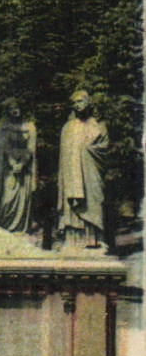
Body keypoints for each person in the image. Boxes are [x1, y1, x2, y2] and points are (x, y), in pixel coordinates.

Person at [57, 90, 109, 251]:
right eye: (75, 102)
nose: (78, 105)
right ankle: (73, 240)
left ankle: (94, 239)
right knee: (72, 208)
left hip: (90, 172)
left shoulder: (97, 125)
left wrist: (87, 150)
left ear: (88, 103)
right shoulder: (68, 127)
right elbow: (63, 155)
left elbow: (104, 147)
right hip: (72, 175)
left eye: (81, 101)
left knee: (93, 201)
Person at [0, 99, 37, 235]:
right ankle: (4, 227)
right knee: (6, 199)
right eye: (11, 108)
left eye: (17, 108)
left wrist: (22, 163)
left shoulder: (30, 127)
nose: (15, 111)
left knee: (22, 200)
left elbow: (31, 148)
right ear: (7, 111)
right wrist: (12, 163)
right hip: (7, 169)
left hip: (24, 169)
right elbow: (2, 148)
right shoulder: (3, 127)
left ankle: (20, 228)